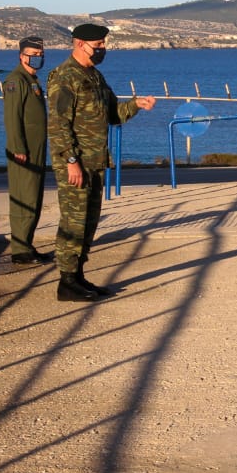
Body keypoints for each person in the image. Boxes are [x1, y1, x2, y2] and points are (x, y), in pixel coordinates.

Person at [47, 23, 156, 302]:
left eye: (105, 44)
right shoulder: (64, 77)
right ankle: (67, 281)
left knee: (89, 221)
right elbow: (58, 125)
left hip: (95, 161)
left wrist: (136, 105)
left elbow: (112, 113)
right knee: (74, 221)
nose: (103, 49)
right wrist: (71, 161)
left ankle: (78, 275)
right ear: (80, 44)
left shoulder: (95, 76)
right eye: (99, 45)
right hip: (76, 162)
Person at [3, 36, 50, 263]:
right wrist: (18, 147)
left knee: (34, 197)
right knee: (24, 196)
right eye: (33, 53)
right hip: (24, 150)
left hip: (36, 147)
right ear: (22, 55)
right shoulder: (16, 80)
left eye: (40, 54)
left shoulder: (32, 79)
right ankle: (20, 250)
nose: (37, 57)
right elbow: (12, 118)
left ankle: (27, 244)